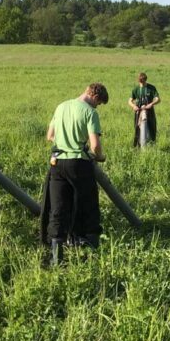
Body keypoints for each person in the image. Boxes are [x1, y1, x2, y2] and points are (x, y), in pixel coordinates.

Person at [41, 83, 109, 265]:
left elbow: (50, 136)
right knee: (88, 204)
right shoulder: (90, 112)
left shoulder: (61, 106)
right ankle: (91, 249)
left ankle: (57, 257)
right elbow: (95, 145)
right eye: (99, 103)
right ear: (95, 96)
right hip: (79, 163)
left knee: (58, 207)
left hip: (57, 162)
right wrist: (100, 156)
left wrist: (65, 143)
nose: (97, 107)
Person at [128, 72, 160, 146]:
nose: (142, 84)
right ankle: (139, 146)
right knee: (138, 129)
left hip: (150, 112)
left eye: (143, 82)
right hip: (138, 113)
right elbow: (129, 101)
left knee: (152, 128)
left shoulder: (151, 88)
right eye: (140, 82)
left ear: (145, 80)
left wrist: (151, 104)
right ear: (138, 81)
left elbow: (158, 99)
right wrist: (133, 106)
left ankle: (152, 145)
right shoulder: (135, 89)